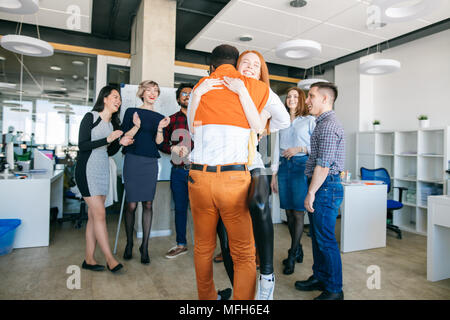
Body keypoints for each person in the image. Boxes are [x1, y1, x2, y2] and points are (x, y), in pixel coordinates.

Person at [187, 44, 270, 300]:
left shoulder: (199, 88)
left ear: (211, 66)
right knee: (243, 252)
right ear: (237, 65)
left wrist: (196, 96)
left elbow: (191, 130)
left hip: (199, 178)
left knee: (202, 248)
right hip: (234, 180)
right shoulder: (254, 87)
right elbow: (260, 128)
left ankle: (208, 301)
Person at [214, 50, 290, 300]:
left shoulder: (263, 94)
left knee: (258, 202)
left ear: (261, 73)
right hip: (223, 168)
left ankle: (267, 275)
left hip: (251, 163)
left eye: (255, 65)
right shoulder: (223, 90)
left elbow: (283, 120)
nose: (249, 67)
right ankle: (241, 293)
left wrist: (264, 116)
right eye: (244, 62)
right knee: (225, 236)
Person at [294, 82, 345, 300]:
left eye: (311, 96)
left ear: (325, 99)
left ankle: (334, 289)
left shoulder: (328, 126)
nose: (307, 101)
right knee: (316, 238)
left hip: (325, 187)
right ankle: (320, 277)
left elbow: (323, 165)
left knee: (325, 240)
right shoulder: (321, 123)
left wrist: (311, 192)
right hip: (323, 186)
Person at [75, 85, 134, 273]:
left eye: (120, 98)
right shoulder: (90, 117)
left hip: (102, 170)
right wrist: (107, 139)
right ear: (105, 98)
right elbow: (82, 145)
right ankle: (110, 259)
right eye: (115, 96)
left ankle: (89, 259)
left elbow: (109, 150)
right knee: (100, 214)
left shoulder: (112, 125)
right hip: (86, 170)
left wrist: (120, 142)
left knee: (94, 216)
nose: (118, 100)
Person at [121, 80, 170, 264]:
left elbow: (158, 143)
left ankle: (145, 247)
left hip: (150, 162)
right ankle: (129, 244)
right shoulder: (130, 112)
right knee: (132, 205)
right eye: (149, 90)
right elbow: (125, 138)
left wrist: (160, 128)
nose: (152, 93)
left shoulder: (159, 116)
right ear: (142, 93)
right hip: (133, 160)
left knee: (148, 204)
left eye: (156, 90)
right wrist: (137, 126)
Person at [270, 87, 315, 275]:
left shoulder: (310, 120)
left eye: (295, 96)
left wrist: (299, 149)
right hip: (284, 167)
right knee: (288, 212)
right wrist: (273, 174)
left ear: (302, 99)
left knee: (297, 212)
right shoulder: (281, 120)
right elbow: (275, 148)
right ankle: (298, 248)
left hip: (300, 166)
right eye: (289, 96)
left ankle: (292, 255)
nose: (291, 99)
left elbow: (316, 146)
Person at [158, 83, 194, 259]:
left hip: (200, 173)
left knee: (204, 211)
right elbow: (161, 143)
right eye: (184, 93)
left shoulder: (203, 118)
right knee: (180, 209)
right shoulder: (171, 120)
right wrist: (173, 148)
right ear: (178, 98)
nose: (187, 96)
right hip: (179, 171)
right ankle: (181, 244)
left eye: (190, 93)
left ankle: (208, 246)